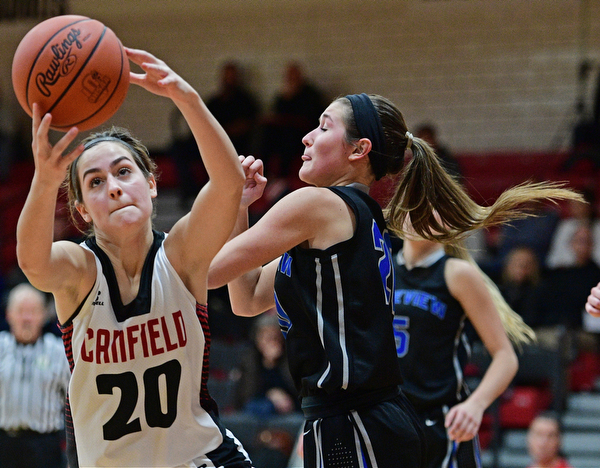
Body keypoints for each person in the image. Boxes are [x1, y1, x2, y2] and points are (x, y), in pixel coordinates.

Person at [207, 92, 581, 468]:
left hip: (358, 420)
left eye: (323, 126)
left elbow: (204, 272)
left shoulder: (317, 205)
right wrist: (240, 208)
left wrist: (215, 199)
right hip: (357, 419)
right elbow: (248, 299)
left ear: (359, 150)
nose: (306, 137)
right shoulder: (345, 218)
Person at [16, 47, 253, 468]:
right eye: (95, 181)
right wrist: (45, 178)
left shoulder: (179, 256)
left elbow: (229, 183)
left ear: (152, 184)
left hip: (200, 458)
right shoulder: (81, 269)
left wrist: (186, 97)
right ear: (83, 210)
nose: (113, 186)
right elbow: (33, 262)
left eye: (123, 172)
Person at [393, 227, 535, 468]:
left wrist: (475, 405)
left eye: (429, 206)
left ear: (447, 221)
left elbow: (505, 356)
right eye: (412, 205)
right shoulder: (380, 269)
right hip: (385, 417)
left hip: (439, 421)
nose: (418, 213)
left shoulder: (456, 273)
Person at [0, 283, 70, 468]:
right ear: (9, 314)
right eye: (21, 311)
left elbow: (72, 399)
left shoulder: (58, 351)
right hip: (4, 443)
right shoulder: (1, 347)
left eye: (33, 311)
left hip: (45, 446)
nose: (27, 318)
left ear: (44, 315)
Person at [258, 61, 325, 178]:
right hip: (284, 131)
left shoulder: (310, 94)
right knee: (266, 134)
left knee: (288, 138)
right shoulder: (283, 95)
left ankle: (282, 177)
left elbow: (309, 118)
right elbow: (276, 114)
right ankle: (264, 173)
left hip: (302, 133)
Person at [234, 312, 299, 417]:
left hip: (289, 405)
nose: (271, 342)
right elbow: (246, 395)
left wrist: (275, 363)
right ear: (257, 339)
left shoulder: (290, 357)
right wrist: (270, 394)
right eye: (266, 338)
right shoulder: (249, 359)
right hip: (258, 404)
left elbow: (297, 391)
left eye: (274, 337)